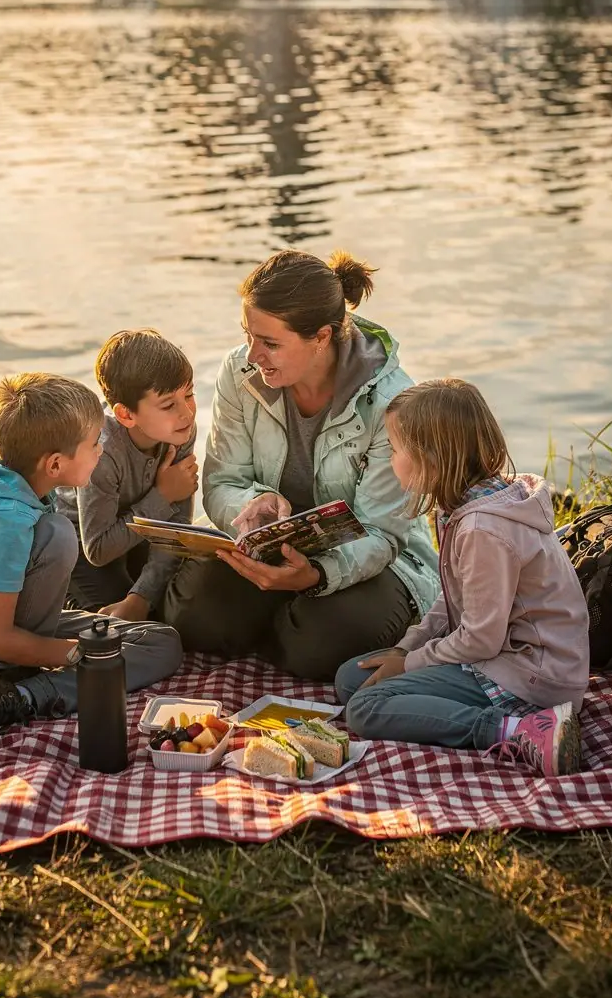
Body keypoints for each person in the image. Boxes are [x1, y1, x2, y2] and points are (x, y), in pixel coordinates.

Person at [161, 249, 439, 678]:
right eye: (249, 335)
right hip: (270, 548)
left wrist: (315, 575)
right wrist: (254, 505)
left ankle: (292, 620)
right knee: (192, 614)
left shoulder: (391, 404)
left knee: (322, 645)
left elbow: (382, 533)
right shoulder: (239, 374)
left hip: (375, 562)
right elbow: (222, 482)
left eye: (271, 343)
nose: (253, 354)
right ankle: (281, 617)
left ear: (322, 338)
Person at [0, 373, 183, 745]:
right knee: (58, 535)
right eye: (94, 444)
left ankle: (16, 697)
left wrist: (86, 651)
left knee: (159, 642)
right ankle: (9, 683)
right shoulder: (1, 519)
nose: (101, 451)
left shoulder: (16, 473)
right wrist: (78, 654)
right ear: (55, 464)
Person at [335, 379, 590, 777]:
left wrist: (410, 666)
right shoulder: (463, 507)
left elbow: (480, 638)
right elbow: (450, 600)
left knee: (364, 709)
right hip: (500, 659)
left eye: (395, 449)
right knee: (353, 679)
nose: (390, 460)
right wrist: (407, 650)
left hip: (532, 676)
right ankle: (464, 710)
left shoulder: (483, 530)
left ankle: (519, 730)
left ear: (430, 458)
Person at [64, 329, 198, 618]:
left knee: (174, 605)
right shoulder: (102, 450)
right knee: (111, 630)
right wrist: (162, 495)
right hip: (78, 544)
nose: (187, 413)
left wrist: (142, 595)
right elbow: (97, 549)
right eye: (168, 405)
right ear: (125, 414)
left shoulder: (179, 430)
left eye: (189, 394)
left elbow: (176, 526)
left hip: (137, 530)